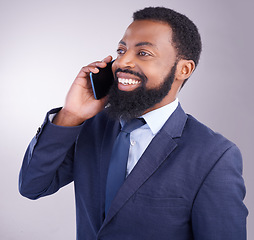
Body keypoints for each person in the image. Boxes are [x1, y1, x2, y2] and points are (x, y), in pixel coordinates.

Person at [19, 6, 248, 240]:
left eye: (143, 53)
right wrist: (70, 114)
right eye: (121, 50)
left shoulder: (214, 156)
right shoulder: (90, 126)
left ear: (184, 69)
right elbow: (32, 185)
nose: (122, 62)